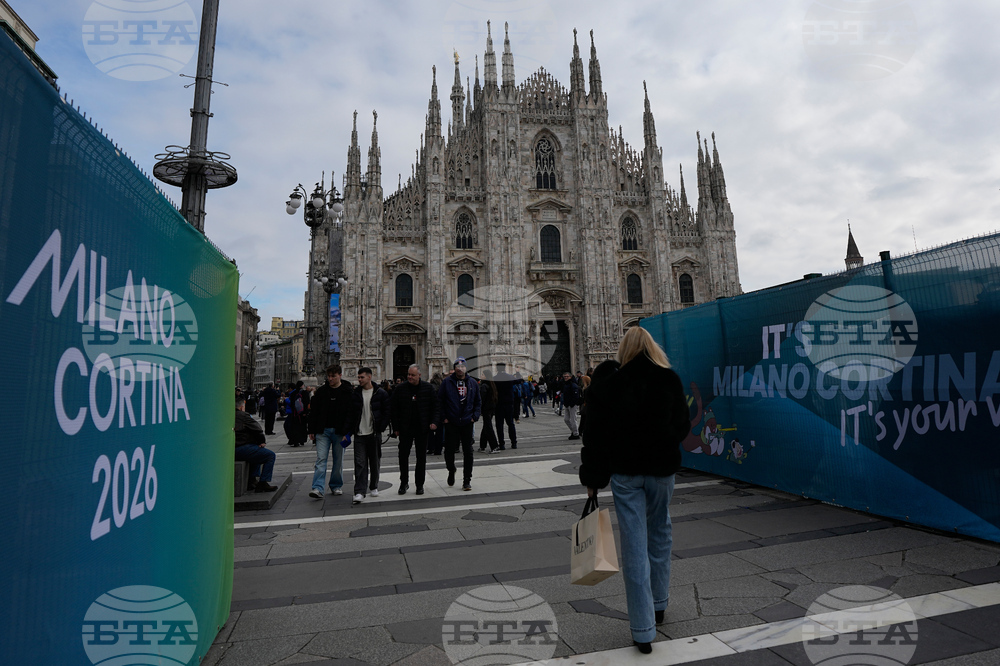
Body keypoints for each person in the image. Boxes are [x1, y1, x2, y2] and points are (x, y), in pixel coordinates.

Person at [578, 327, 691, 654]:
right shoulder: (668, 379)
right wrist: (665, 440)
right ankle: (659, 604)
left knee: (634, 544)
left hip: (626, 475)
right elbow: (683, 424)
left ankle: (643, 631)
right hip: (660, 472)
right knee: (660, 532)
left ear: (623, 349)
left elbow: (595, 437)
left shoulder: (610, 385)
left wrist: (593, 478)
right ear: (652, 347)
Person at [389, 364, 439, 495]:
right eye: (408, 375)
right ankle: (403, 483)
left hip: (422, 428)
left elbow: (436, 407)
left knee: (421, 457)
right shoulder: (400, 389)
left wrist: (434, 422)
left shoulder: (428, 388)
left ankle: (419, 484)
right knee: (403, 457)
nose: (409, 377)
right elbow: (394, 409)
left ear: (419, 375)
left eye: (412, 375)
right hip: (405, 428)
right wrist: (395, 428)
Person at [307, 365, 354, 499]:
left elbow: (351, 413)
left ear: (340, 375)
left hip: (340, 432)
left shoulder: (347, 391)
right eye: (329, 376)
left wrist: (348, 432)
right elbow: (314, 412)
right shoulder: (322, 391)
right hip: (323, 431)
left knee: (338, 461)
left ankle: (336, 485)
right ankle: (317, 488)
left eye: (333, 376)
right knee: (321, 459)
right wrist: (311, 429)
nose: (330, 379)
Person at [439, 357, 482, 491]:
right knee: (449, 451)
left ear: (466, 368)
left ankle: (467, 480)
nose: (460, 369)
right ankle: (451, 470)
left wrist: (474, 416)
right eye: (458, 366)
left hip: (467, 421)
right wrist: (444, 418)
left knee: (468, 451)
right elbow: (440, 401)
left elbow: (478, 402)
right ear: (455, 368)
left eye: (462, 366)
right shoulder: (446, 382)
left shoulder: (473, 383)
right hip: (451, 421)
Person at [348, 367, 390, 504]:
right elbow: (351, 414)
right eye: (358, 377)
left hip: (374, 433)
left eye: (362, 377)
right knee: (360, 463)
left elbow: (386, 412)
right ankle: (359, 491)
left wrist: (381, 427)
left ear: (369, 377)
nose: (359, 380)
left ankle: (374, 486)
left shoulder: (380, 393)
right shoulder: (355, 394)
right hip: (360, 433)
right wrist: (349, 431)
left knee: (375, 461)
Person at [235, 397, 277, 492]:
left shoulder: (228, 415)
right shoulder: (243, 415)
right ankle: (263, 482)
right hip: (240, 448)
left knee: (255, 451)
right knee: (269, 455)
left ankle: (252, 480)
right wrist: (261, 442)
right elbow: (257, 429)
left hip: (232, 447)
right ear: (242, 407)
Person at [492, 363, 518, 450]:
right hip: (509, 403)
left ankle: (502, 444)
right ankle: (514, 443)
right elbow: (518, 381)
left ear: (497, 369)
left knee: (499, 424)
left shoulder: (494, 378)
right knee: (510, 423)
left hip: (499, 404)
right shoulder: (510, 377)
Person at [477, 369, 500, 453]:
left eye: (482, 374)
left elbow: (481, 399)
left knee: (488, 427)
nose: (481, 375)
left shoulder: (484, 386)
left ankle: (495, 446)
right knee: (486, 426)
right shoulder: (492, 385)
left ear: (485, 376)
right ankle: (482, 446)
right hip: (491, 408)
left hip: (486, 409)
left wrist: (478, 409)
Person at [284, 381, 310, 446]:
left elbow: (292, 403)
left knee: (295, 427)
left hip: (295, 413)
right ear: (302, 386)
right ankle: (302, 440)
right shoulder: (305, 393)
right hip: (302, 412)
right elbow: (307, 403)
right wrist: (305, 412)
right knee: (303, 426)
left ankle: (296, 441)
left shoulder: (293, 393)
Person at [428, 372, 446, 455]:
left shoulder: (430, 387)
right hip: (440, 411)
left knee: (430, 431)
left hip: (431, 411)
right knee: (439, 431)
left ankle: (431, 447)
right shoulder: (442, 387)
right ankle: (438, 449)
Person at [561, 371, 582, 440]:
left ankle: (576, 434)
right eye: (565, 376)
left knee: (573, 419)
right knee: (566, 419)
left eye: (567, 376)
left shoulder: (573, 385)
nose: (566, 378)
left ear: (570, 377)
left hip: (572, 404)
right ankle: (574, 431)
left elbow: (576, 395)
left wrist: (573, 403)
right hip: (567, 404)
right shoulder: (565, 384)